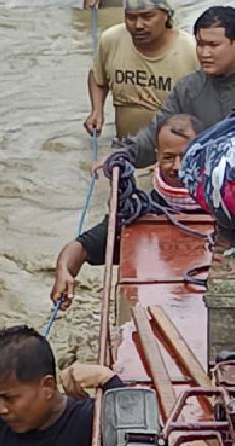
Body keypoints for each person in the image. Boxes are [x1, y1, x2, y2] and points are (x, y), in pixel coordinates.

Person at [54, 114, 205, 310]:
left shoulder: (224, 208)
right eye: (168, 158)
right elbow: (81, 247)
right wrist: (63, 272)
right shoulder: (139, 211)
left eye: (185, 157)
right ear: (157, 157)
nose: (177, 167)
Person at [121, 6, 235, 168]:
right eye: (200, 44)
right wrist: (125, 155)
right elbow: (156, 134)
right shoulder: (187, 89)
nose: (204, 53)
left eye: (213, 45)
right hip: (202, 182)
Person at [85, 0, 199, 140]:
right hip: (125, 145)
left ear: (166, 15)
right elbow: (98, 77)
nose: (138, 25)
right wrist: (97, 111)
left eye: (147, 17)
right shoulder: (111, 39)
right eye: (131, 18)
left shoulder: (191, 49)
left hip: (172, 150)